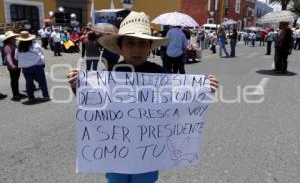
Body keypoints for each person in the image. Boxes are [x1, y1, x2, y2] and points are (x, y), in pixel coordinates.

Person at [67, 11, 219, 183]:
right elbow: (94, 102)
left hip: (148, 152)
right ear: (121, 47)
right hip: (116, 150)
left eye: (142, 43)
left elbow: (176, 105)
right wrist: (78, 86)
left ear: (149, 47)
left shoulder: (161, 74)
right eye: (130, 43)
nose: (136, 49)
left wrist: (202, 92)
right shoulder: (110, 74)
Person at [14, 31, 50, 104]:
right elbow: (41, 53)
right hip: (37, 66)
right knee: (42, 81)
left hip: (25, 68)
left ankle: (31, 98)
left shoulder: (18, 49)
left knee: (29, 83)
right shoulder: (35, 46)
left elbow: (16, 58)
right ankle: (46, 96)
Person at [3, 31, 27, 101]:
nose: (15, 38)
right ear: (9, 38)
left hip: (16, 66)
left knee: (16, 80)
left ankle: (17, 93)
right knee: (14, 80)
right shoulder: (8, 46)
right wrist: (12, 65)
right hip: (13, 67)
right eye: (13, 37)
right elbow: (8, 57)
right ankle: (15, 95)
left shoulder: (13, 45)